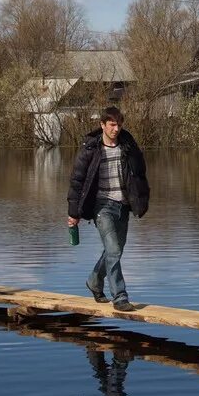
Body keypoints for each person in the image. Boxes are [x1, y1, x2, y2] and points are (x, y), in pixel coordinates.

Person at [67, 106, 150, 312]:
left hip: (123, 205)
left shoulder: (127, 146)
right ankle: (120, 297)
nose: (116, 129)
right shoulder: (91, 149)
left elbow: (139, 175)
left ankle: (94, 281)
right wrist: (73, 212)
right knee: (113, 250)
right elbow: (77, 181)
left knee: (116, 251)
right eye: (112, 125)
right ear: (102, 125)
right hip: (101, 206)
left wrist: (141, 201)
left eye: (119, 125)